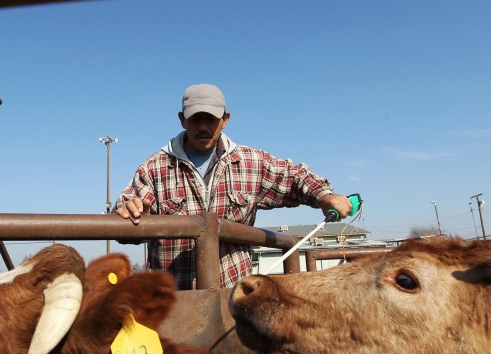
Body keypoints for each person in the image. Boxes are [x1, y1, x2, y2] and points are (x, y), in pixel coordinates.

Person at [114, 83, 352, 290]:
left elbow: (294, 177)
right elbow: (127, 206)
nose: (203, 126)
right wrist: (131, 211)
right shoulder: (155, 168)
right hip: (174, 300)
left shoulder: (251, 163)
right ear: (182, 119)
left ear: (225, 120)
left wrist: (324, 195)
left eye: (211, 118)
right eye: (196, 118)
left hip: (233, 298)